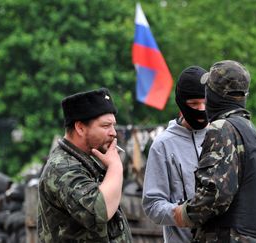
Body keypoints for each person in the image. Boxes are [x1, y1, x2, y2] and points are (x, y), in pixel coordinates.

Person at [173, 60, 256, 242]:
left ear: (213, 95)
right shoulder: (255, 134)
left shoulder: (222, 128)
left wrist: (184, 213)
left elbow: (216, 195)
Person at [38, 88, 132, 242]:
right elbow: (99, 211)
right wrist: (115, 167)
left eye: (113, 125)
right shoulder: (62, 167)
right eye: (105, 126)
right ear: (80, 128)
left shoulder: (89, 157)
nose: (113, 132)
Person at [142, 66, 208, 242]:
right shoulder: (163, 145)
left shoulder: (223, 137)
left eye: (205, 103)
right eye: (194, 104)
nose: (201, 109)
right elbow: (152, 204)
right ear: (181, 104)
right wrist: (184, 214)